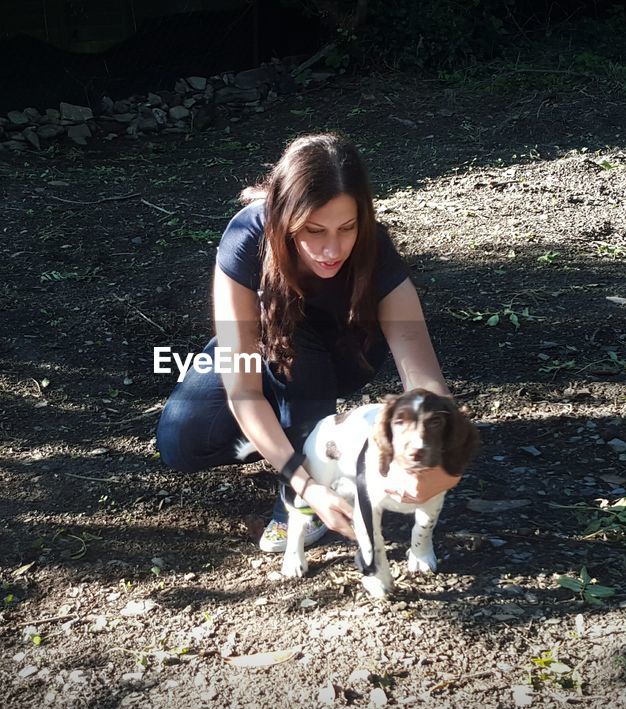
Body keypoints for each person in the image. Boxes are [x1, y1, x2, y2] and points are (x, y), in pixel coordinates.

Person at [155, 132, 462, 552]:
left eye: (347, 227)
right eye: (313, 230)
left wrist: (439, 466)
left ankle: (295, 507)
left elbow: (425, 380)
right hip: (264, 345)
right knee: (181, 443)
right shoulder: (246, 238)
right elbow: (242, 387)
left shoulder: (377, 250)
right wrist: (304, 478)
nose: (331, 249)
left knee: (295, 341)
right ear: (284, 217)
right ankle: (303, 455)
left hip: (342, 357)